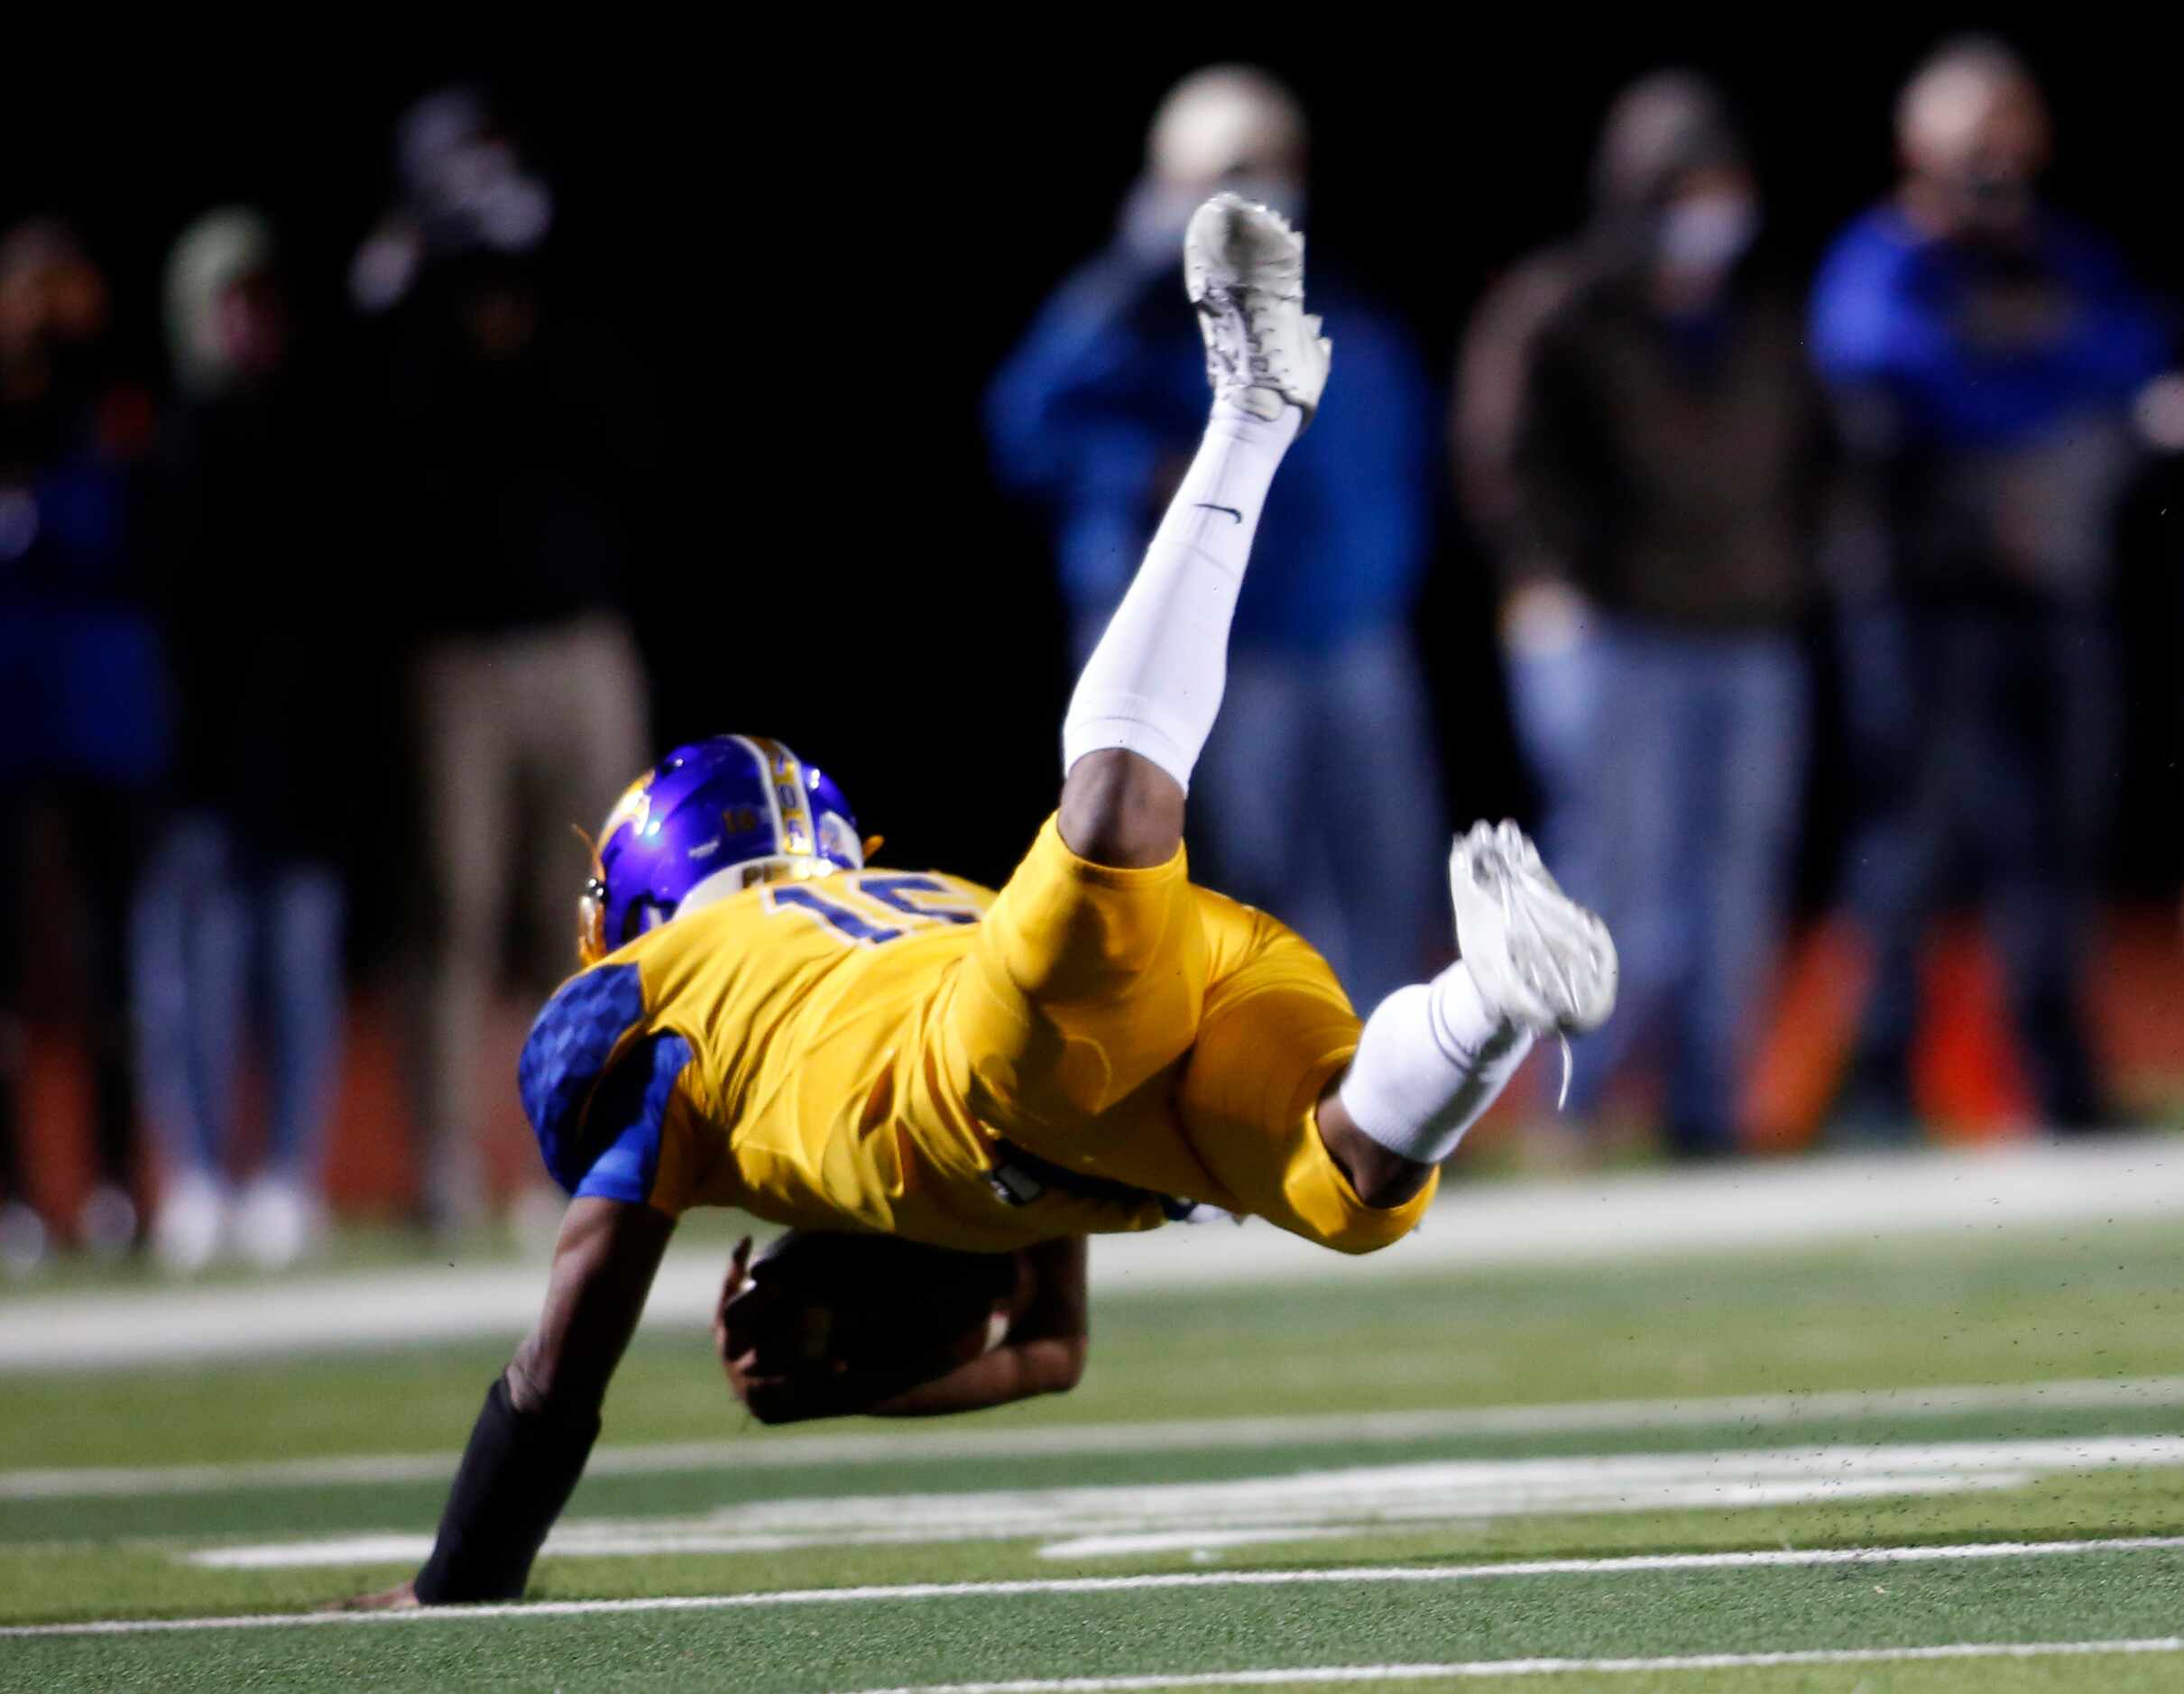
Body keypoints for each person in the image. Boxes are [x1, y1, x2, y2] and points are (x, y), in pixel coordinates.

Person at [346, 197, 1616, 1608]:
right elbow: (1057, 1334)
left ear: (655, 887)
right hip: (1132, 1037)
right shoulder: (898, 900)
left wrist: (460, 1577)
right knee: (1353, 1173)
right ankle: (1492, 995)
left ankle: (1249, 417)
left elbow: (560, 1358)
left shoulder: (680, 987)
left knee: (1128, 825)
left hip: (997, 1081)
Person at [987, 67, 1444, 1016]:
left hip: (1352, 631)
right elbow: (1029, 429)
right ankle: (1257, 1098)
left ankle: (1378, 1100)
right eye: (1236, 166)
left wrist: (1385, 567)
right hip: (1227, 649)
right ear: (1176, 179)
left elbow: (1394, 447)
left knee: (1382, 866)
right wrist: (1141, 473)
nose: (1263, 183)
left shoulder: (1338, 300)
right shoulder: (1129, 305)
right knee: (1247, 879)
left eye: (1276, 161)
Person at [1458, 74, 1825, 1157]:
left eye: (1722, 179)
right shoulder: (1561, 305)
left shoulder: (1757, 315)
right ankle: (1576, 1110)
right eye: (1684, 182)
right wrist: (1550, 582)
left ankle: (1711, 1106)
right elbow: (1501, 459)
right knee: (1613, 872)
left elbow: (1813, 455)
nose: (1708, 204)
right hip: (1616, 633)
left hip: (1749, 631)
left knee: (1733, 880)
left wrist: (1801, 565)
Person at [1811, 38, 2172, 1135]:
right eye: (1975, 133)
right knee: (1909, 849)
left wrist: (2035, 373)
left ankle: (2059, 1087)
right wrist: (2057, 386)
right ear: (1920, 145)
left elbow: (2142, 350)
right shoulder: (1887, 258)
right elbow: (1901, 370)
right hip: (1924, 600)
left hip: (2053, 594)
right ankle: (1877, 1088)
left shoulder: (2059, 257)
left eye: (2013, 128)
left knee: (2055, 848)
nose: (1997, 154)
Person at [357, 87, 655, 1233]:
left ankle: (577, 1145)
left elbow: (631, 427)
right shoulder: (400, 299)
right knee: (454, 907)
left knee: (586, 903)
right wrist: (422, 299)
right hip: (454, 655)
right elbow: (379, 451)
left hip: (579, 638)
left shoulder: (566, 285)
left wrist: (536, 311)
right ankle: (443, 1154)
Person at [136, 209, 350, 1273]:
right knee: (200, 975)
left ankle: (289, 1174)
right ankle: (198, 1174)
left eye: (263, 304)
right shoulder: (170, 439)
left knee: (299, 970)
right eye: (232, 303)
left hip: (299, 765)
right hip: (199, 767)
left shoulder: (312, 435)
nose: (248, 326)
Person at [0, 221, 164, 1270]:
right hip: (11, 728)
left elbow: (132, 532)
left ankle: (114, 1185)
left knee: (110, 973)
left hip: (103, 723)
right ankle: (14, 1194)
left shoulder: (117, 407)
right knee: (12, 979)